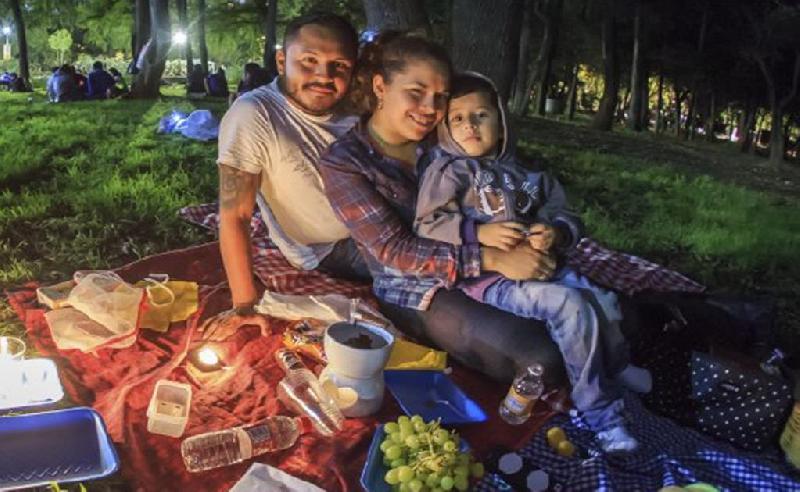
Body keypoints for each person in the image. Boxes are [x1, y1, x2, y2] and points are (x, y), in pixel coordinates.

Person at [318, 32, 567, 395]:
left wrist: (536, 232)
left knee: (595, 317)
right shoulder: (345, 162)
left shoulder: (446, 135)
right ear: (380, 86)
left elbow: (503, 182)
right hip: (415, 284)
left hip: (494, 258)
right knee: (541, 361)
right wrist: (492, 258)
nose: (429, 109)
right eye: (415, 92)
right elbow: (394, 250)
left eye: (440, 97)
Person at [413, 72, 648, 452]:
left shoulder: (533, 175)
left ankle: (617, 365)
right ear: (443, 128)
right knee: (571, 307)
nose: (469, 126)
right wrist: (479, 233)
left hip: (545, 264)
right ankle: (601, 415)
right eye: (457, 118)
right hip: (492, 278)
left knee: (603, 301)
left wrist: (554, 231)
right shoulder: (448, 171)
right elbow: (428, 224)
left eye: (481, 115)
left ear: (502, 124)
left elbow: (569, 218)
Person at [201, 12, 368, 339]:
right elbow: (235, 214)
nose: (323, 75)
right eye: (309, 60)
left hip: (388, 221)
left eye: (340, 65)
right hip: (334, 246)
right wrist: (245, 305)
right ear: (281, 61)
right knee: (427, 278)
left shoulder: (358, 107)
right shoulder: (256, 114)